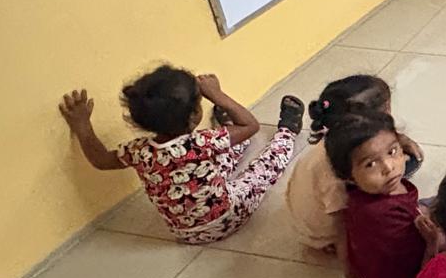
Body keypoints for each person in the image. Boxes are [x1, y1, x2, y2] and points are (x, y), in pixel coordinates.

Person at [58, 67, 301, 244]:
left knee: (225, 147)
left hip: (182, 233)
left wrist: (83, 126)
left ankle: (229, 127)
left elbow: (101, 160)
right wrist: (217, 94)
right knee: (262, 170)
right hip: (225, 218)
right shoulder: (202, 142)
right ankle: (287, 134)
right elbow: (251, 126)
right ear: (194, 116)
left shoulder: (138, 150)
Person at [285, 74, 425, 253]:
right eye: (387, 111)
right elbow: (340, 225)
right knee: (406, 167)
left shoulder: (339, 140)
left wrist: (399, 139)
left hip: (308, 209)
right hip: (321, 235)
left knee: (403, 160)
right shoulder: (333, 172)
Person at [324, 109, 438, 278]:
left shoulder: (356, 194)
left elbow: (344, 238)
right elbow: (418, 265)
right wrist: (432, 244)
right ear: (348, 175)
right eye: (370, 164)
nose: (388, 167)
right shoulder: (385, 216)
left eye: (392, 152)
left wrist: (350, 277)